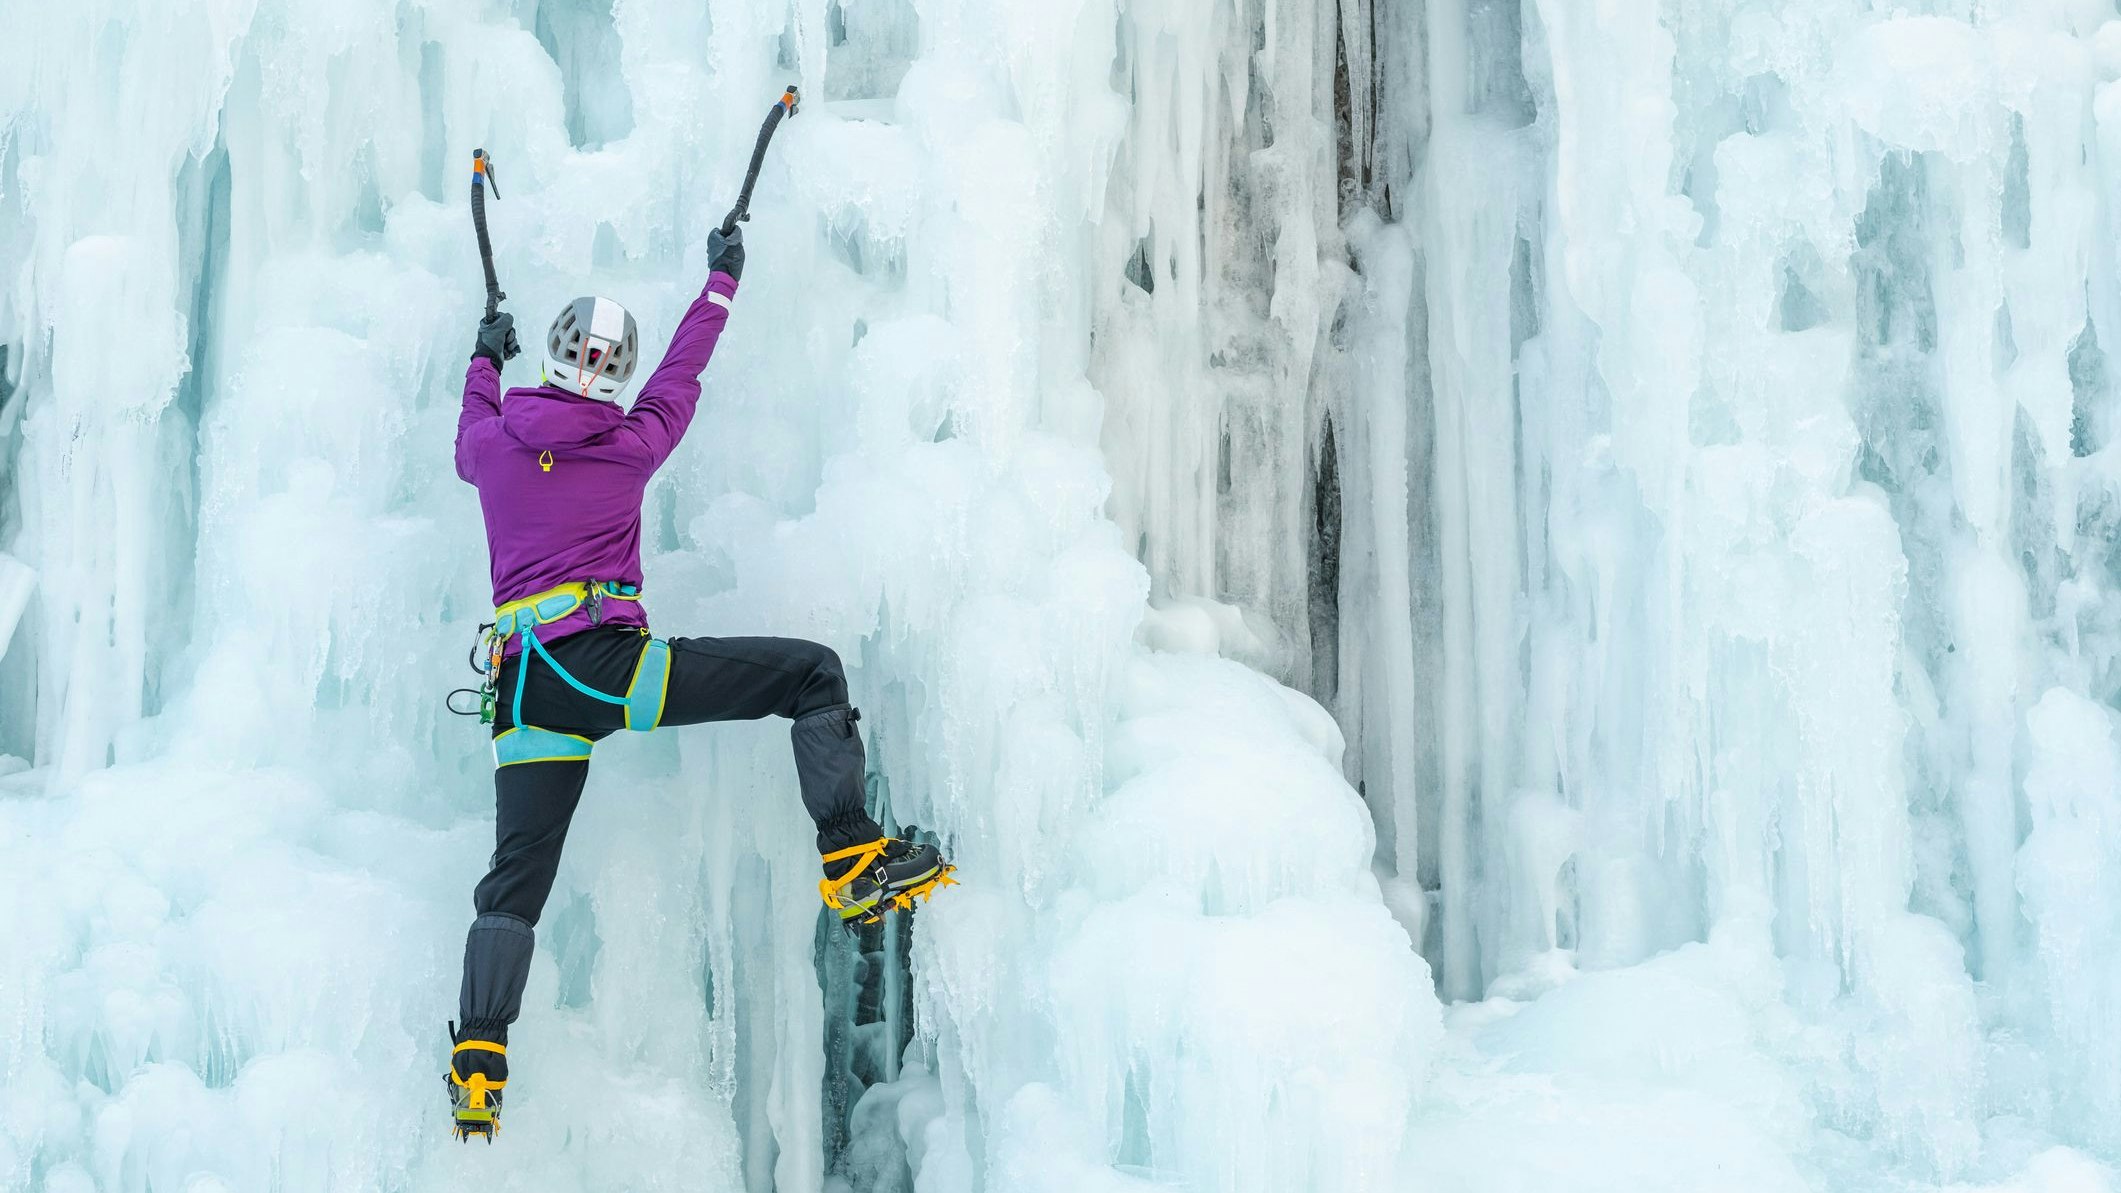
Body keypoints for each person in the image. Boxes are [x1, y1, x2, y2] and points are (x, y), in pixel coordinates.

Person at [443, 226, 953, 1142]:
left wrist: (485, 355)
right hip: (604, 666)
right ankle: (850, 855)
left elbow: (470, 418)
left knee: (513, 884)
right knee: (810, 674)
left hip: (520, 690)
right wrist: (721, 278)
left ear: (551, 359)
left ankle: (478, 1057)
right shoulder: (633, 444)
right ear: (615, 373)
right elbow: (684, 369)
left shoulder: (491, 445)